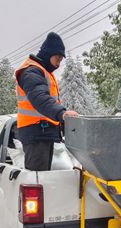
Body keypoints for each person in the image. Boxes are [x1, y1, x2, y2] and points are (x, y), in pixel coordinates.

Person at [15, 32, 79, 171]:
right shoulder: (32, 72)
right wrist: (62, 113)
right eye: (58, 58)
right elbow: (41, 99)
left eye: (61, 59)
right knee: (37, 180)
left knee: (42, 179)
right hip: (36, 133)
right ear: (48, 53)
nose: (59, 63)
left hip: (42, 133)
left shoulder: (43, 72)